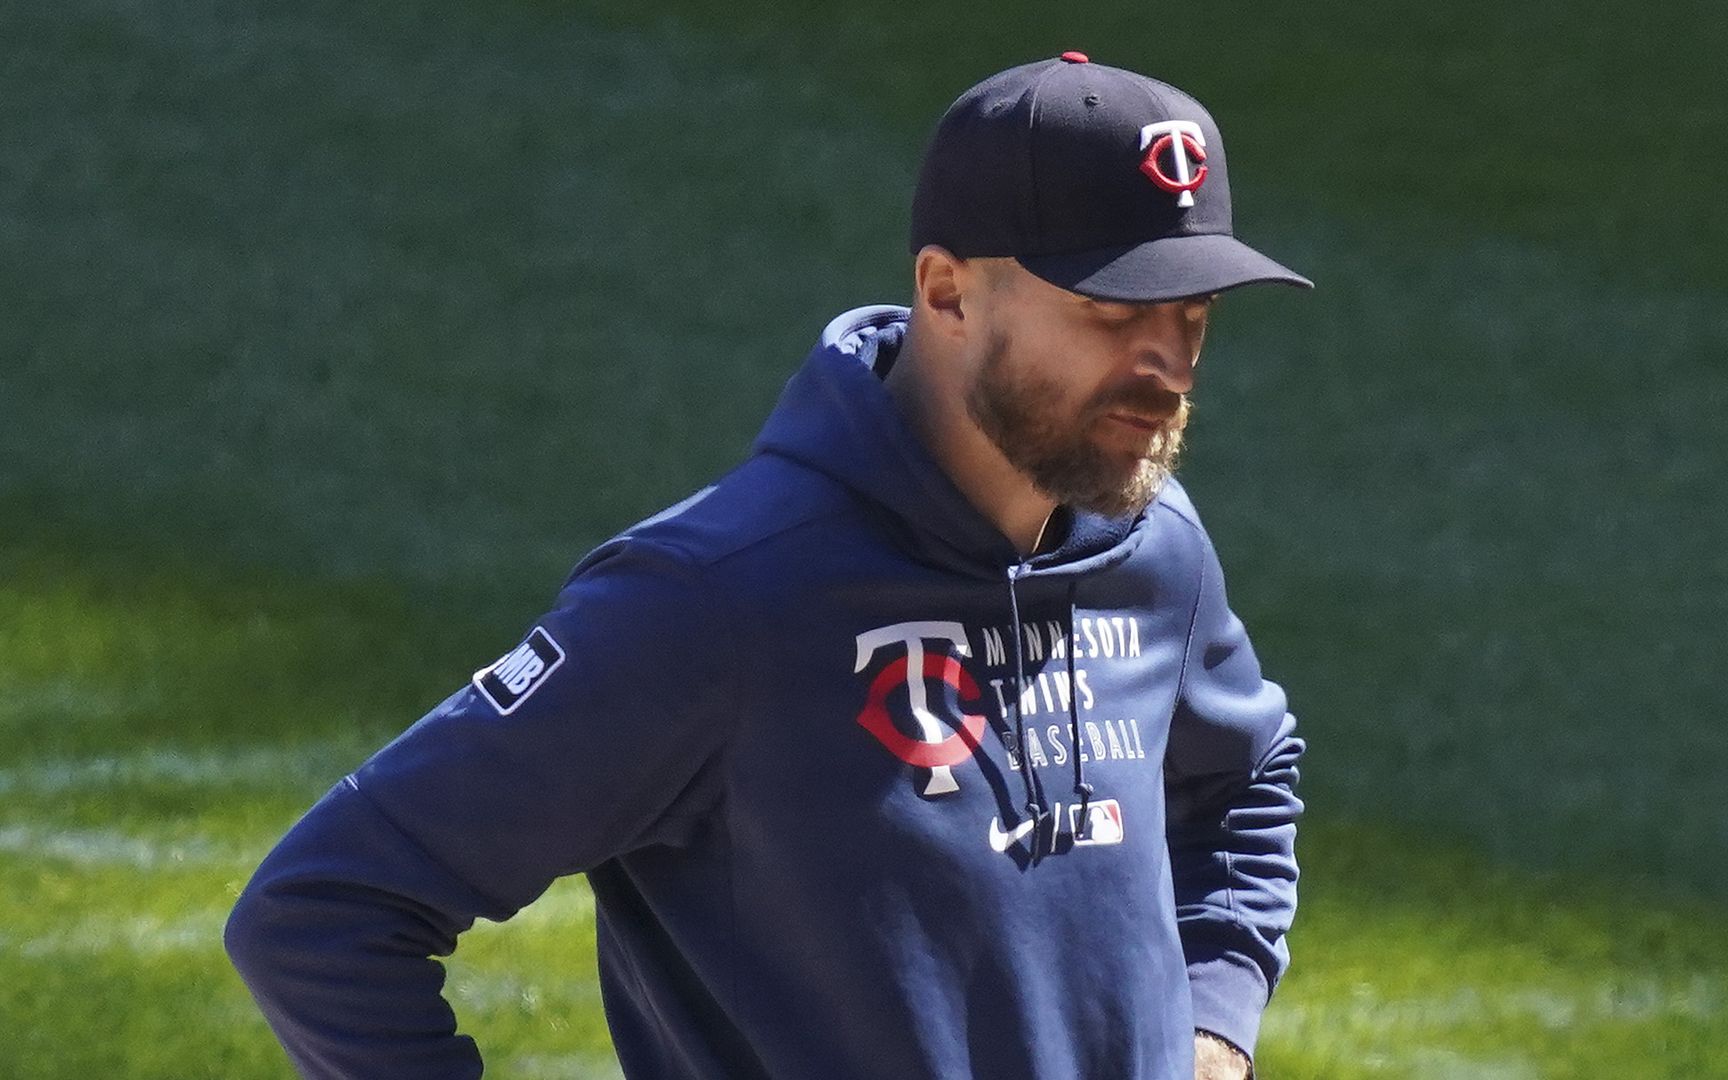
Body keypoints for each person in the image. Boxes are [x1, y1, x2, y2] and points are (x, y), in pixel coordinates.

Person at [226, 52, 1310, 1080]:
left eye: (1194, 316)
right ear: (947, 292)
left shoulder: (1154, 550)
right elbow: (323, 912)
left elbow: (1245, 776)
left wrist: (1216, 1019)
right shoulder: (721, 599)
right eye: (1111, 312)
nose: (1169, 368)